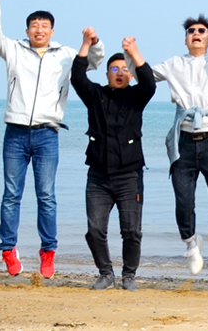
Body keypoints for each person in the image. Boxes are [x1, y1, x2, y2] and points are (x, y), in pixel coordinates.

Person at [0, 0, 103, 279]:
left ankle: (48, 252)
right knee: (11, 194)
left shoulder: (65, 55)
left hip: (48, 133)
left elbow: (94, 62)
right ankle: (8, 249)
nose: (39, 30)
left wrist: (94, 42)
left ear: (52, 31)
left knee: (46, 195)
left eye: (44, 26)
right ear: (27, 30)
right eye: (34, 25)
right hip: (15, 132)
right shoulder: (14, 49)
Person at [150, 10, 208, 275]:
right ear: (186, 39)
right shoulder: (174, 63)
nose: (196, 34)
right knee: (184, 201)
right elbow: (145, 76)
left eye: (202, 31)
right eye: (191, 31)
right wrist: (131, 56)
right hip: (184, 142)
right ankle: (191, 246)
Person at [70, 31, 156, 291]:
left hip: (130, 175)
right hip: (98, 176)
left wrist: (134, 54)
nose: (119, 73)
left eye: (124, 69)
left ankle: (129, 275)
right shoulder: (95, 95)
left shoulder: (137, 97)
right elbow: (77, 77)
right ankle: (105, 273)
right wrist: (86, 45)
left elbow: (149, 83)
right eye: (114, 69)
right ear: (107, 73)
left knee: (132, 231)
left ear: (130, 74)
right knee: (95, 230)